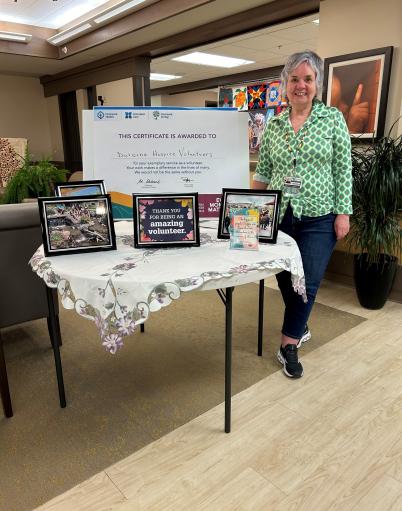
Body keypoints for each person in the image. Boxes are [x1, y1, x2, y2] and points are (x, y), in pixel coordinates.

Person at [252, 50, 352, 378]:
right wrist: (252, 211)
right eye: (294, 79)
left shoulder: (332, 119)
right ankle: (301, 321)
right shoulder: (276, 124)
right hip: (280, 214)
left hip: (320, 215)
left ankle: (288, 345)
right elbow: (264, 171)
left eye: (307, 79)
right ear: (285, 84)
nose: (301, 85)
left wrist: (343, 213)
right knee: (283, 273)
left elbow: (343, 170)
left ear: (317, 84)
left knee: (306, 280)